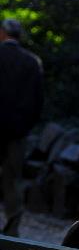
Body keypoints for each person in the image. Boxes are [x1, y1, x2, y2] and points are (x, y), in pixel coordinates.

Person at [0, 18, 44, 236]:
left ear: (2, 33)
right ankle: (12, 229)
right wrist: (25, 126)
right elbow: (37, 101)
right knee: (13, 179)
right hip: (18, 131)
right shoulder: (32, 62)